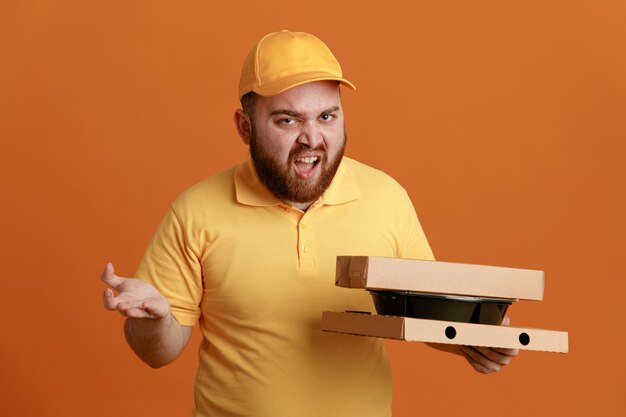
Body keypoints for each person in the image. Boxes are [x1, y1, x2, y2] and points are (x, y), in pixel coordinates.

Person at [101, 30, 518, 417]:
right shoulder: (195, 212)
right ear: (245, 128)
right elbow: (157, 353)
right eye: (288, 120)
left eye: (327, 117)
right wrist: (153, 321)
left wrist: (476, 339)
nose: (311, 138)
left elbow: (421, 310)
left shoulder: (387, 198)